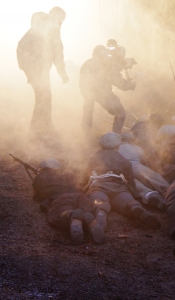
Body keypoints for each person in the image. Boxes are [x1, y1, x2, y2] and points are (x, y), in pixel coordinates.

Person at [83, 132, 161, 230]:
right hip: (119, 187)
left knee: (99, 202)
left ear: (101, 145)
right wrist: (134, 193)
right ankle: (135, 207)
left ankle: (100, 215)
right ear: (118, 147)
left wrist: (82, 188)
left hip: (99, 186)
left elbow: (85, 176)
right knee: (128, 202)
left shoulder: (93, 157)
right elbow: (130, 180)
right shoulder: (123, 160)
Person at [17, 7, 69, 138]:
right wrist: (62, 73)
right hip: (39, 69)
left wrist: (26, 68)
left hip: (35, 69)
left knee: (44, 98)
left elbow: (21, 45)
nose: (62, 23)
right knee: (43, 98)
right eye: (62, 20)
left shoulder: (37, 28)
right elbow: (58, 54)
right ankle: (37, 131)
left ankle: (45, 127)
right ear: (57, 17)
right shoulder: (52, 29)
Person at [32, 158, 105, 245]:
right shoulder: (66, 174)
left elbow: (39, 194)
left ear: (42, 167)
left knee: (61, 213)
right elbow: (78, 185)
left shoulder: (40, 177)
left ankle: (72, 216)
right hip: (79, 196)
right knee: (85, 208)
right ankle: (88, 217)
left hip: (60, 198)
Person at [80, 44, 135, 134]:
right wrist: (130, 85)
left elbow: (82, 81)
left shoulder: (87, 63)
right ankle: (115, 137)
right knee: (120, 113)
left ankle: (85, 132)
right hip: (103, 93)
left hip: (87, 92)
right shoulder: (106, 65)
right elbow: (119, 83)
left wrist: (86, 93)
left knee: (88, 105)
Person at [118, 133, 168, 211]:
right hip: (137, 165)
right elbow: (144, 160)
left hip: (123, 169)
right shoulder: (137, 148)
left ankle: (149, 194)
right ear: (131, 140)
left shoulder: (117, 148)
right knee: (153, 177)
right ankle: (168, 190)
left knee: (133, 182)